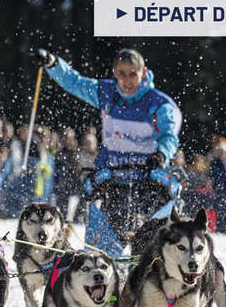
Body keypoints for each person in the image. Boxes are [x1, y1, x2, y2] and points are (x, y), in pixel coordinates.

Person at [36, 48, 182, 239]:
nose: (127, 81)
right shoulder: (106, 92)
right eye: (121, 74)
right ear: (114, 73)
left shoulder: (158, 104)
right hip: (114, 178)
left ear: (143, 73)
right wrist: (53, 64)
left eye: (133, 75)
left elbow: (169, 136)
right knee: (109, 244)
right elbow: (75, 82)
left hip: (148, 180)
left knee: (149, 244)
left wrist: (162, 153)